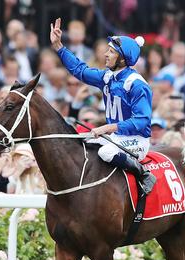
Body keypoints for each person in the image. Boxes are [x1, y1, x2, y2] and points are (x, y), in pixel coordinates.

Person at [49, 18, 156, 194]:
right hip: (115, 137)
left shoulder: (136, 84)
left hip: (137, 140)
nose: (105, 54)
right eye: (107, 50)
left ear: (122, 59)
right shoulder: (107, 76)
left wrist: (108, 127)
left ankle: (144, 174)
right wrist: (59, 47)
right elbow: (80, 71)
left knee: (105, 153)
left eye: (111, 52)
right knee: (78, 143)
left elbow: (143, 121)